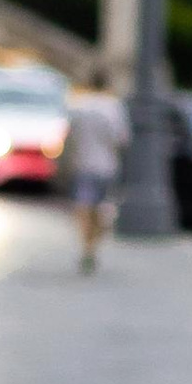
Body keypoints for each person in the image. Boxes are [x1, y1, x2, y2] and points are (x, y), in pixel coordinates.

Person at [60, 80, 129, 270]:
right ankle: (93, 246)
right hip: (107, 166)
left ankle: (86, 246)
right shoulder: (114, 107)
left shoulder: (79, 106)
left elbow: (69, 137)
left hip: (82, 164)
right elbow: (122, 139)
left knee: (83, 206)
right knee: (103, 209)